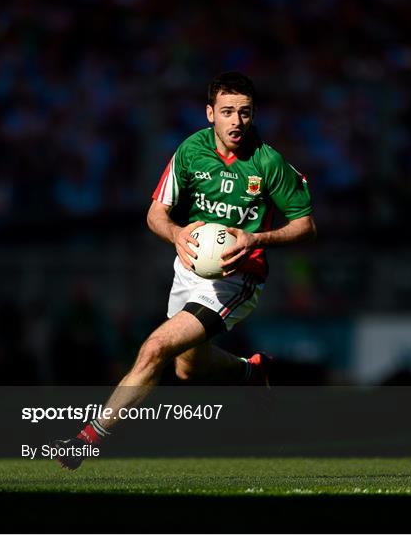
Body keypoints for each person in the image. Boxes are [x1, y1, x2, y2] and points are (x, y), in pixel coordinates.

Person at [53, 71, 316, 469]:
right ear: (210, 113)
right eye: (227, 111)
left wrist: (254, 240)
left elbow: (305, 225)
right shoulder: (191, 151)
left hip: (236, 280)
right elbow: (155, 213)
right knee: (188, 368)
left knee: (154, 348)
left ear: (254, 114)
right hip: (189, 269)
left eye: (244, 112)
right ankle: (250, 372)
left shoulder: (269, 162)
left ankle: (86, 440)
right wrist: (176, 233)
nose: (236, 121)